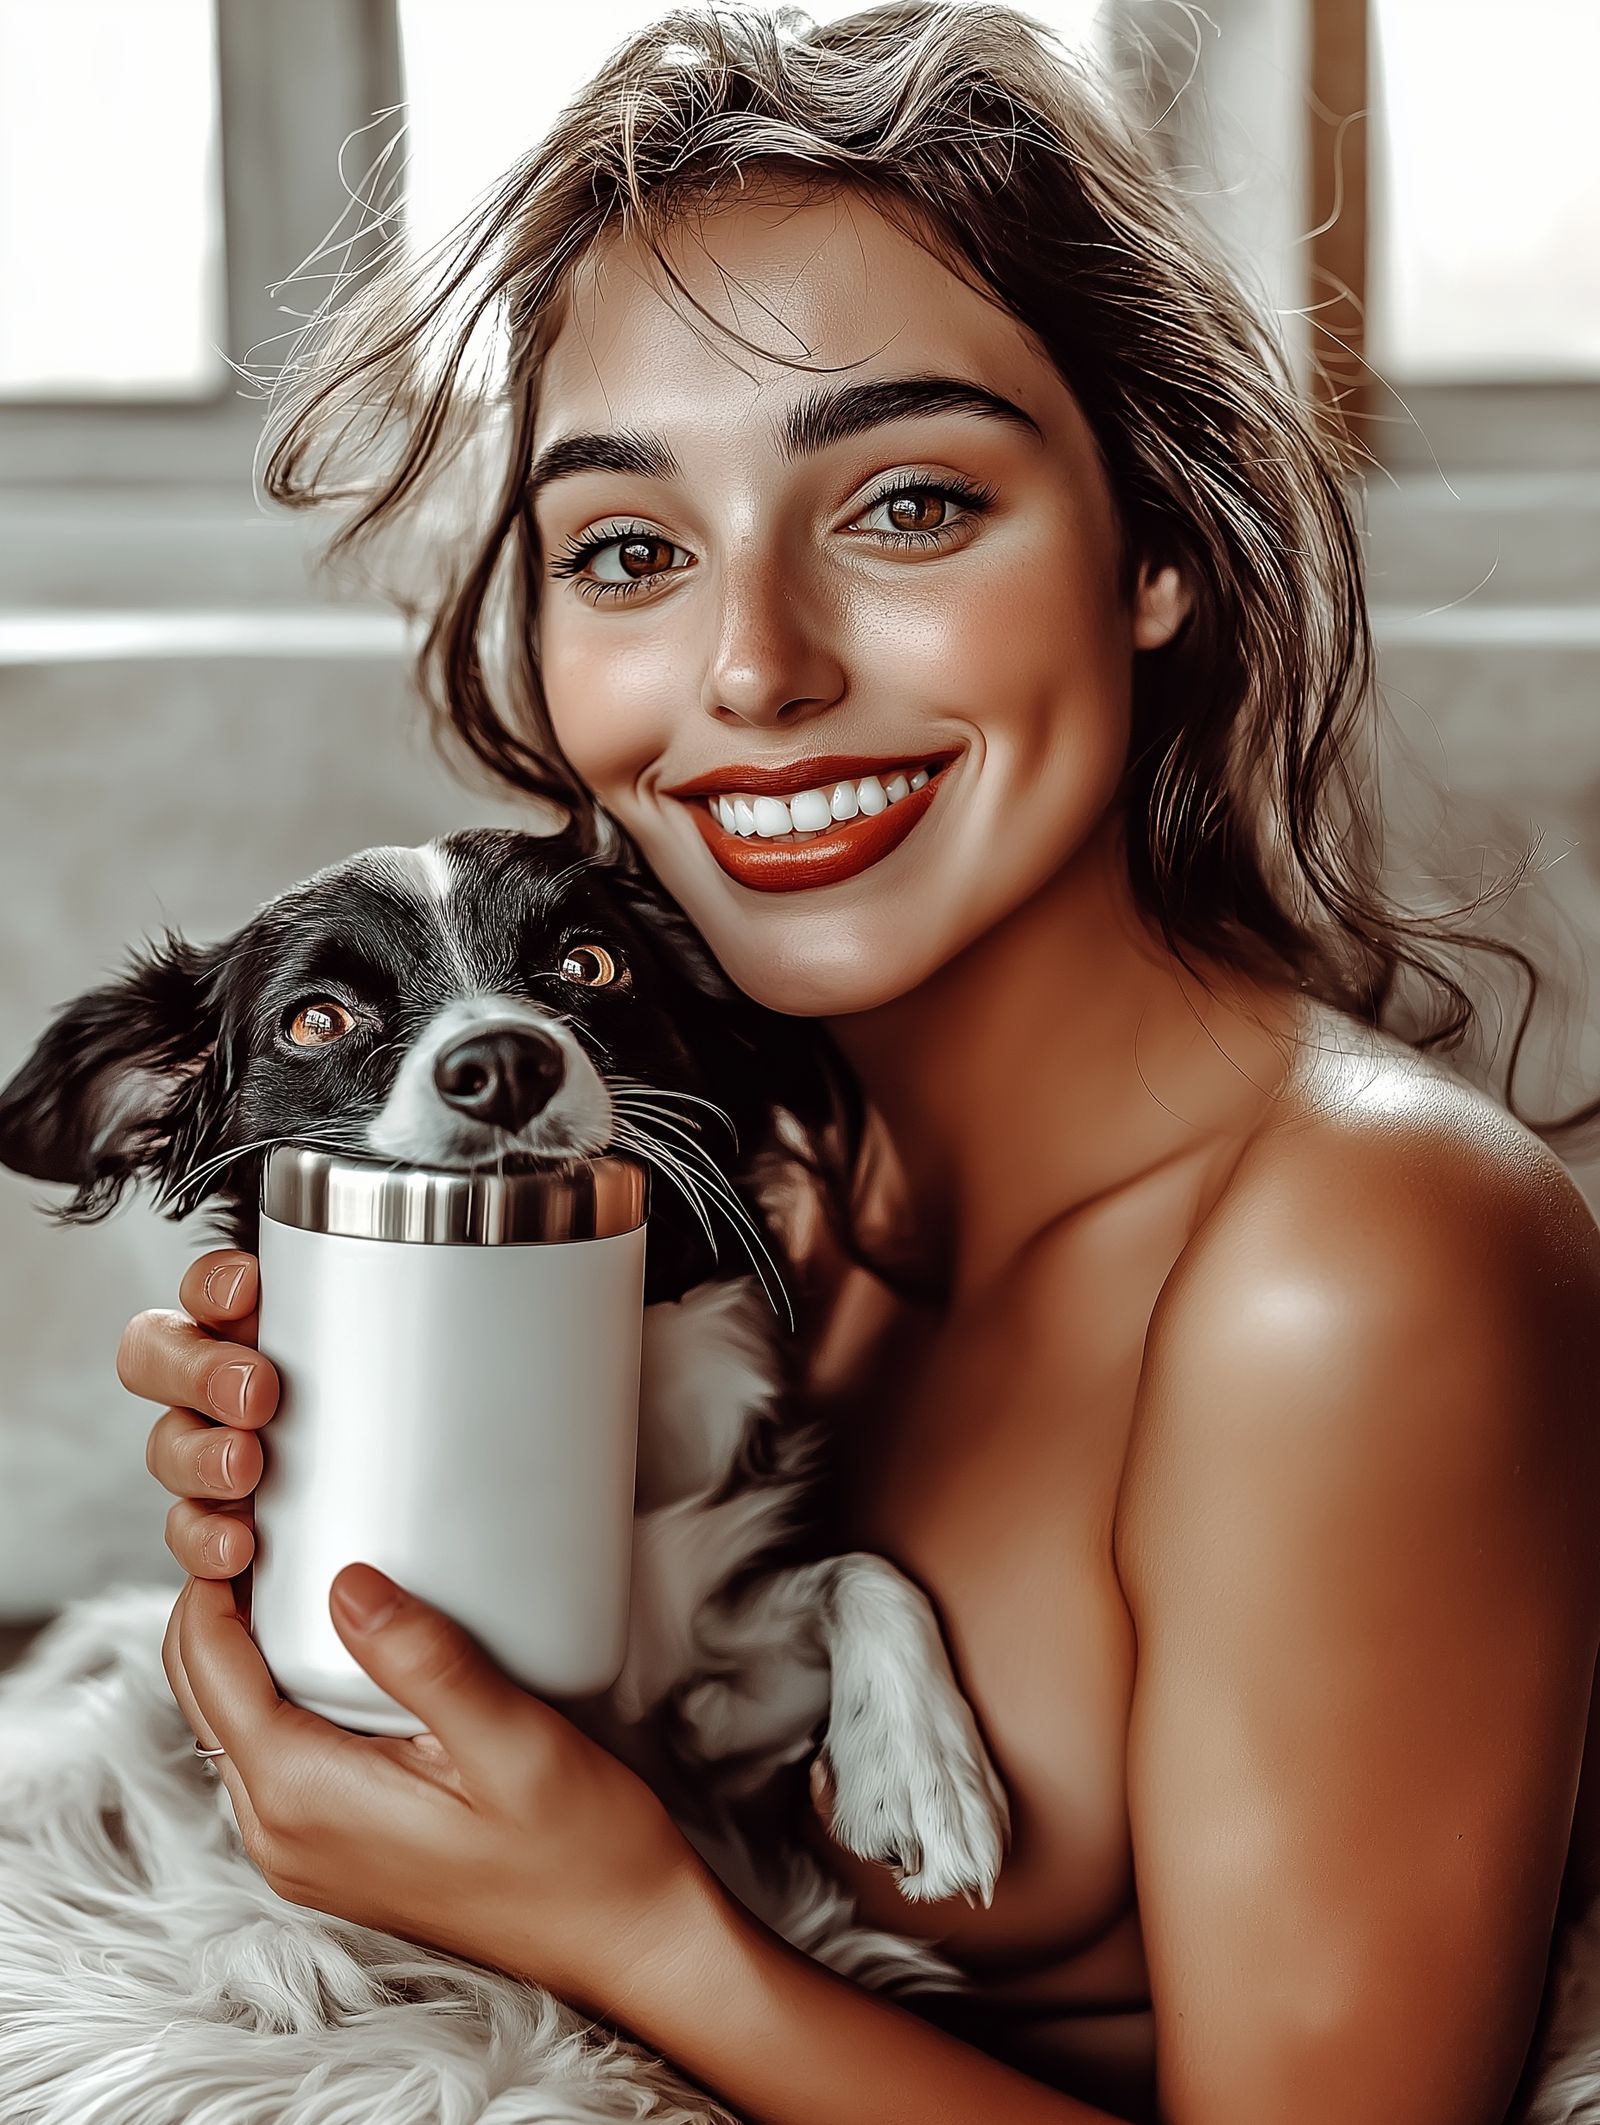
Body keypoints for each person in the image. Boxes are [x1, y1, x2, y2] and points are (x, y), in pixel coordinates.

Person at [116, 5, 1600, 2121]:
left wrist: (629, 1927)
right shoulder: (730, 1188)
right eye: (626, 550)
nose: (753, 666)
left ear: (1153, 548)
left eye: (905, 503)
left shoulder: (1349, 1261)